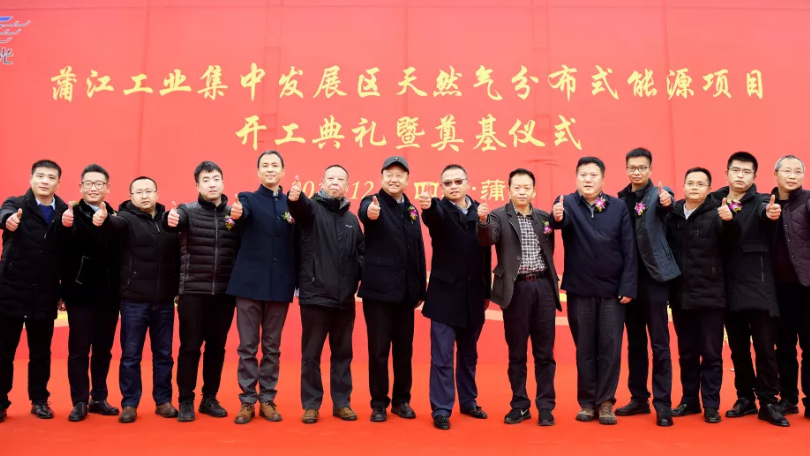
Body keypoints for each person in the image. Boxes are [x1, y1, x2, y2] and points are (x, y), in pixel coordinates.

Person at [549, 156, 636, 425]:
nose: (588, 179)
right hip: (580, 290)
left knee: (610, 346)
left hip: (613, 291)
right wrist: (556, 217)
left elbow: (629, 247)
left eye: (593, 175)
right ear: (576, 177)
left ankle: (606, 402)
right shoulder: (566, 203)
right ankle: (587, 403)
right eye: (583, 175)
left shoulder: (618, 206)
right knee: (584, 348)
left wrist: (628, 285)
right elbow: (556, 222)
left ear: (603, 179)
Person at [477, 168, 560, 427]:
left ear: (534, 191)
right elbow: (488, 239)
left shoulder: (544, 218)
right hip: (516, 289)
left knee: (545, 353)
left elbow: (550, 250)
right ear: (509, 190)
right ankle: (520, 405)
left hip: (543, 288)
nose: (522, 192)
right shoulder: (498, 216)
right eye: (517, 187)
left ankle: (545, 406)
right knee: (517, 352)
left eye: (527, 187)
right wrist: (482, 221)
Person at [711, 151, 787, 427]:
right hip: (727, 287)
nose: (740, 176)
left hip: (759, 287)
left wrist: (771, 214)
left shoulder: (763, 201)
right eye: (736, 170)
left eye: (746, 172)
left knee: (765, 349)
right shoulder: (714, 200)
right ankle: (744, 398)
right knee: (738, 348)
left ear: (754, 176)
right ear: (727, 173)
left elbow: (768, 214)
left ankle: (768, 401)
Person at [164, 161, 241, 422]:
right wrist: (169, 219)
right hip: (193, 292)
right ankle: (186, 399)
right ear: (197, 185)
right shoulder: (187, 211)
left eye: (216, 179)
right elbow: (173, 223)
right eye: (206, 180)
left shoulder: (233, 215)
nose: (212, 184)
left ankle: (209, 398)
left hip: (224, 294)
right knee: (190, 348)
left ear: (223, 182)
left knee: (217, 348)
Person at [287, 165, 364, 424]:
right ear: (321, 182)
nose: (335, 183)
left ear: (347, 186)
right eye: (330, 178)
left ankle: (342, 403)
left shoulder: (352, 220)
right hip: (316, 296)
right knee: (311, 354)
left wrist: (355, 278)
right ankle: (311, 404)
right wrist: (295, 198)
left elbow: (362, 253)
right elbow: (299, 209)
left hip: (345, 301)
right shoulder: (311, 210)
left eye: (340, 179)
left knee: (342, 354)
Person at [419, 164, 492, 431]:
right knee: (442, 356)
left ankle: (469, 401)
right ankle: (441, 408)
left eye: (458, 181)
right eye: (447, 183)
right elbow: (433, 216)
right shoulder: (439, 209)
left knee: (469, 355)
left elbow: (486, 254)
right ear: (442, 187)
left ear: (468, 183)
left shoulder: (480, 211)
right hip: (444, 297)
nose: (453, 186)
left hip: (473, 296)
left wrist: (486, 292)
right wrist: (429, 206)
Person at [228, 151, 296, 425]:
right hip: (248, 285)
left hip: (280, 284)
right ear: (258, 172)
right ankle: (247, 401)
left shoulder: (292, 204)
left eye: (275, 165)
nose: (270, 169)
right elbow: (237, 216)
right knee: (247, 346)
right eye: (265, 165)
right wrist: (235, 214)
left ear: (282, 171)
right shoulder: (247, 199)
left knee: (272, 347)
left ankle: (267, 399)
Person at [667, 167, 739, 424]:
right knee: (687, 352)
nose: (694, 187)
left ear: (709, 189)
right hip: (680, 296)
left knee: (711, 353)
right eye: (690, 183)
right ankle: (689, 400)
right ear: (683, 186)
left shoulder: (718, 212)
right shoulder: (673, 214)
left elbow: (731, 237)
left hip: (711, 296)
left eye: (700, 184)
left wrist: (730, 220)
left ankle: (710, 404)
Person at [105, 176, 180, 424]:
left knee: (164, 355)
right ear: (131, 196)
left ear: (157, 194)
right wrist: (104, 217)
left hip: (165, 301)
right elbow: (112, 226)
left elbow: (179, 256)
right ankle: (129, 403)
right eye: (139, 192)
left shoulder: (169, 220)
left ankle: (163, 401)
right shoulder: (124, 219)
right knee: (130, 356)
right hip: (134, 301)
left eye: (149, 191)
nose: (144, 195)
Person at [358, 155, 426, 422]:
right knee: (378, 350)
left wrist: (420, 289)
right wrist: (370, 213)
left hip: (406, 294)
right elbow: (366, 213)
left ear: (407, 180)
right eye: (390, 175)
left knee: (404, 350)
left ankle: (401, 400)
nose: (394, 179)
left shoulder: (411, 210)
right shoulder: (372, 202)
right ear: (382, 177)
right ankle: (378, 403)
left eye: (400, 175)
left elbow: (418, 250)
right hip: (378, 293)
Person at [615, 148, 680, 427]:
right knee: (635, 344)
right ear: (626, 169)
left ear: (651, 169)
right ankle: (639, 398)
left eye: (642, 167)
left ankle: (663, 404)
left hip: (654, 280)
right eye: (632, 167)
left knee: (660, 344)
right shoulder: (619, 200)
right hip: (628, 282)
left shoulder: (658, 195)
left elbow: (668, 205)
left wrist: (667, 201)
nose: (637, 172)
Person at [0, 160, 68, 422]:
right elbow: (4, 214)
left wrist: (63, 291)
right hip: (11, 289)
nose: (45, 181)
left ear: (58, 183)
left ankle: (39, 400)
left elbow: (68, 256)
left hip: (46, 292)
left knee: (41, 352)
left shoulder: (64, 211)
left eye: (51, 177)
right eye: (40, 176)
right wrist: (8, 221)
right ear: (31, 179)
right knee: (3, 351)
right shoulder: (16, 204)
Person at [58, 164, 119, 422]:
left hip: (109, 296)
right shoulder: (69, 214)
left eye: (99, 184)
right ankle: (80, 401)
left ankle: (99, 397)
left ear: (108, 187)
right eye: (88, 183)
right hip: (80, 294)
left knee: (104, 350)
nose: (94, 188)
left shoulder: (114, 215)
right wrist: (65, 226)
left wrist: (106, 223)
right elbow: (61, 251)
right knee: (79, 349)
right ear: (81, 187)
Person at [771, 155, 810, 420]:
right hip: (776, 289)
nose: (792, 175)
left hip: (806, 287)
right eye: (787, 171)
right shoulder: (766, 204)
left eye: (798, 171)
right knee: (783, 347)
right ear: (776, 174)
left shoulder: (807, 200)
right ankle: (787, 399)